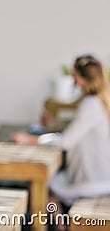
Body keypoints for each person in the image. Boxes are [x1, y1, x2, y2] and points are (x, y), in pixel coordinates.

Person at [12, 55, 110, 210]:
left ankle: (58, 226)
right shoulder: (99, 101)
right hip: (99, 177)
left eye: (74, 73)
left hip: (93, 182)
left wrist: (32, 141)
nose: (71, 76)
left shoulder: (91, 104)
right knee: (49, 181)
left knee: (38, 182)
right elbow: (74, 127)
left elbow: (65, 142)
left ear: (81, 77)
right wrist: (52, 125)